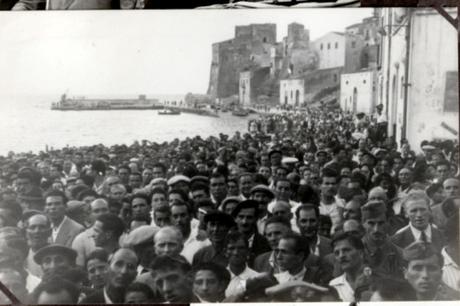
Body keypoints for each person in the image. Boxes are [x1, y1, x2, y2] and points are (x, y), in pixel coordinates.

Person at [360, 200, 404, 278]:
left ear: (388, 222)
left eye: (381, 223)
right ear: (363, 223)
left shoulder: (398, 253)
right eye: (371, 223)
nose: (376, 229)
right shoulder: (354, 252)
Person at [329, 232, 368, 302]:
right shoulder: (333, 285)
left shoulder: (378, 280)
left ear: (361, 253)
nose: (341, 256)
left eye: (346, 250)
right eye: (337, 253)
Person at [231, 200, 270, 267]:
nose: (244, 222)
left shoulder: (265, 243)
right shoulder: (227, 241)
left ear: (256, 219)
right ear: (235, 218)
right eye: (241, 217)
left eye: (249, 218)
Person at [72, 198, 109, 267]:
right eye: (96, 211)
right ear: (90, 215)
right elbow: (79, 268)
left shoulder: (121, 234)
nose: (101, 213)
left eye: (104, 210)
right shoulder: (81, 239)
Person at [24, 212, 52, 278]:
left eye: (42, 227)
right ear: (26, 232)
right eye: (32, 227)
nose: (37, 231)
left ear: (50, 232)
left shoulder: (57, 255)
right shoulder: (22, 256)